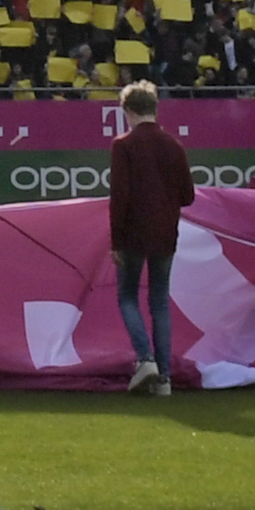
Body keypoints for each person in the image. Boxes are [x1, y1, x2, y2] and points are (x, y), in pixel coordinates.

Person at [107, 85, 193, 395]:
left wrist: (115, 240)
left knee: (127, 296)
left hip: (132, 233)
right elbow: (189, 196)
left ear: (127, 111)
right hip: (166, 233)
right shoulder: (173, 145)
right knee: (159, 302)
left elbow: (120, 197)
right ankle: (165, 380)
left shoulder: (124, 145)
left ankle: (145, 358)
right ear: (155, 109)